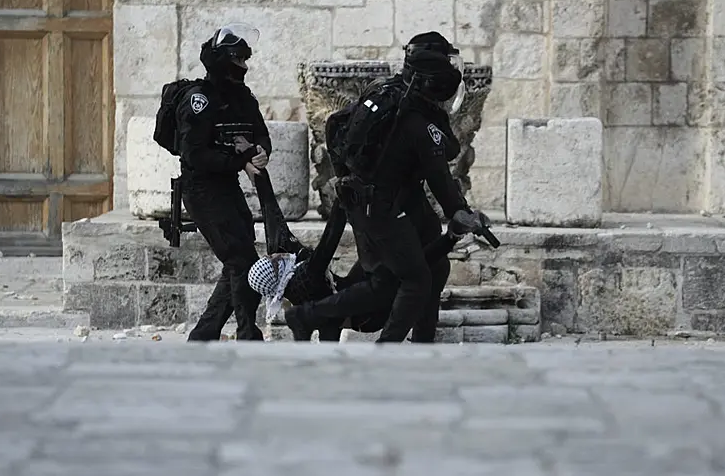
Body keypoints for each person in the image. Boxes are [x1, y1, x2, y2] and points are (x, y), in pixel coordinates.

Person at [284, 31, 491, 344]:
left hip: (385, 199)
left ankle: (421, 345)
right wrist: (461, 213)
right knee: (414, 279)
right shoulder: (416, 121)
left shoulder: (388, 93)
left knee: (432, 269)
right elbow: (441, 178)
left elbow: (339, 124)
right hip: (380, 207)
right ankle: (380, 347)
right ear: (430, 78)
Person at [247, 198, 483, 341]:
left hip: (349, 295)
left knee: (401, 263)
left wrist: (260, 174)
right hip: (367, 313)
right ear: (276, 276)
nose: (277, 255)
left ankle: (452, 235)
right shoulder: (304, 279)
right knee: (405, 271)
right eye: (274, 261)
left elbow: (273, 220)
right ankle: (452, 236)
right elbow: (329, 241)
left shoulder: (292, 282)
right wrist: (341, 204)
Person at [178, 23, 271, 341]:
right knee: (244, 262)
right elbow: (195, 154)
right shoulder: (199, 100)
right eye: (238, 60)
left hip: (227, 187)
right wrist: (240, 160)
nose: (244, 67)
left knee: (239, 261)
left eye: (246, 60)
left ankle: (204, 334)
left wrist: (260, 153)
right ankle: (247, 334)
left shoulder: (243, 97)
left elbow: (260, 132)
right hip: (201, 189)